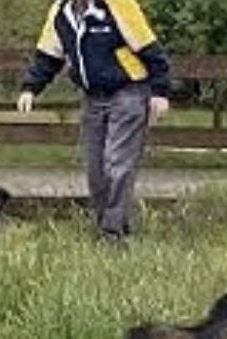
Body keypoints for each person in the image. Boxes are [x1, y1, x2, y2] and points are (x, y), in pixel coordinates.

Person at [18, 0, 172, 244]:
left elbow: (150, 49)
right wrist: (30, 88)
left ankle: (112, 235)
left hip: (128, 91)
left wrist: (160, 92)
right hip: (92, 97)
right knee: (95, 170)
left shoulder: (119, 5)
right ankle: (111, 227)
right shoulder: (61, 12)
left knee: (117, 164)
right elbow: (48, 55)